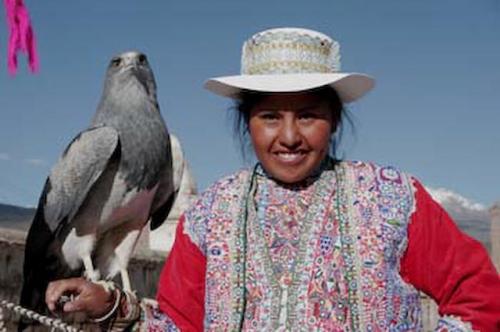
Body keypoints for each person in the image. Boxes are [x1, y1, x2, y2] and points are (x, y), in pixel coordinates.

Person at [44, 27, 500, 331]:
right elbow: (178, 324)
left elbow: (480, 298)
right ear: (246, 122)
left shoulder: (394, 200)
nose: (288, 136)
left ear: (334, 121)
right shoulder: (211, 215)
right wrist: (110, 306)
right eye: (269, 116)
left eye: (308, 116)